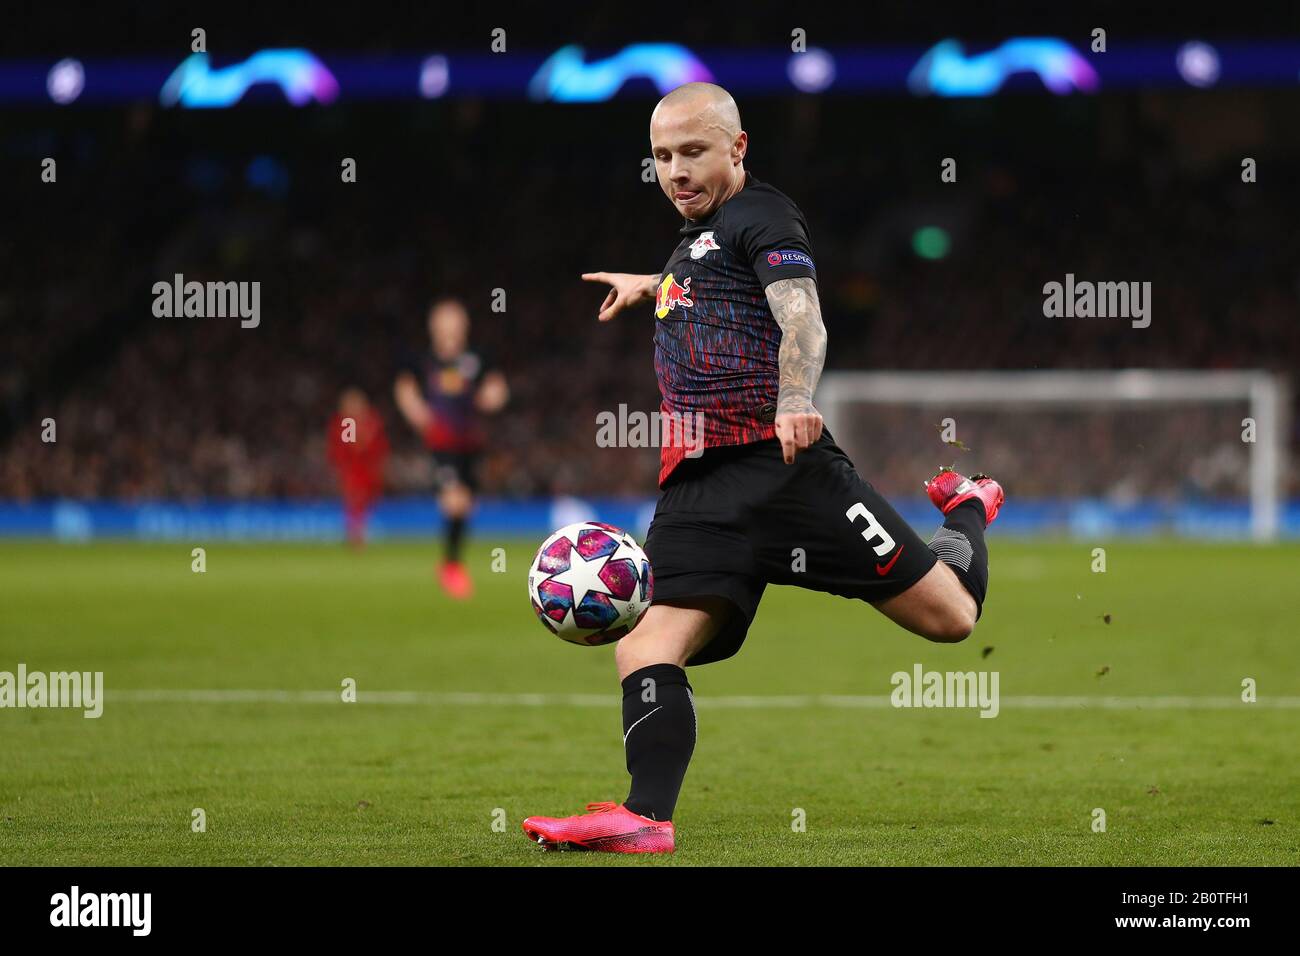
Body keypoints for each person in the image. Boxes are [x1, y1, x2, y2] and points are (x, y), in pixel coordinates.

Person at [522, 82, 1004, 853]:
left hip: (785, 471)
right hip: (699, 489)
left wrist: (793, 398)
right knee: (644, 647)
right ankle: (645, 819)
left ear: (737, 148)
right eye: (662, 157)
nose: (676, 172)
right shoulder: (697, 234)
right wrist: (650, 285)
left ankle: (971, 505)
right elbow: (707, 292)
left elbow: (800, 315)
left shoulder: (765, 217)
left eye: (693, 153)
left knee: (952, 620)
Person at [394, 298, 508, 598]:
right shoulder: (424, 360)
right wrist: (416, 411)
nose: (452, 326)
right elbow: (405, 388)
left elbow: (497, 386)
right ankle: (451, 566)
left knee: (467, 505)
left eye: (457, 320)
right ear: (434, 326)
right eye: (446, 320)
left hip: (471, 443)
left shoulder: (477, 358)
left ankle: (452, 562)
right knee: (454, 501)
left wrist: (493, 396)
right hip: (441, 444)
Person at [326, 387, 389, 548]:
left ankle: (358, 533)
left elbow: (380, 445)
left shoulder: (371, 420)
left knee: (365, 502)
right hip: (353, 469)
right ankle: (355, 536)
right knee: (355, 501)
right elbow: (349, 446)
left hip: (369, 468)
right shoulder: (347, 422)